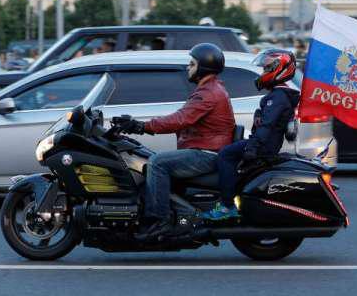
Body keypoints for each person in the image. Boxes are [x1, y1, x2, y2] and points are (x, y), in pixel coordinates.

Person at [117, 43, 236, 239]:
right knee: (149, 157)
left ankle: (159, 221)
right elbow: (181, 119)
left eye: (192, 64)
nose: (187, 68)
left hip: (206, 153)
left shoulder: (209, 94)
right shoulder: (210, 89)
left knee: (157, 163)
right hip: (207, 149)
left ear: (204, 67)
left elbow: (179, 119)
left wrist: (141, 126)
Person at [201, 49, 300, 221]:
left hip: (264, 145)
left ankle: (226, 206)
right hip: (266, 143)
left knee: (225, 154)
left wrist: (253, 146)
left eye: (266, 69)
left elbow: (267, 126)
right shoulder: (280, 96)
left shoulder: (277, 97)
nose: (263, 73)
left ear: (278, 69)